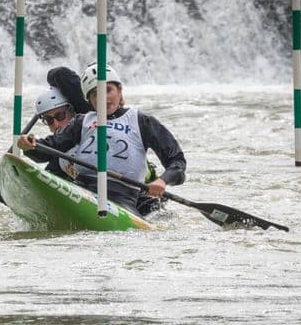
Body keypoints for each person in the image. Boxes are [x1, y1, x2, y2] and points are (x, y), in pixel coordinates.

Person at [17, 63, 186, 216]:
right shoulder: (82, 121)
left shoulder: (142, 121)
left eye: (108, 90)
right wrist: (29, 144)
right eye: (96, 94)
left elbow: (177, 161)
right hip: (83, 190)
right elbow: (48, 149)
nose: (103, 98)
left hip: (125, 198)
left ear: (120, 90)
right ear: (89, 100)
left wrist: (162, 181)